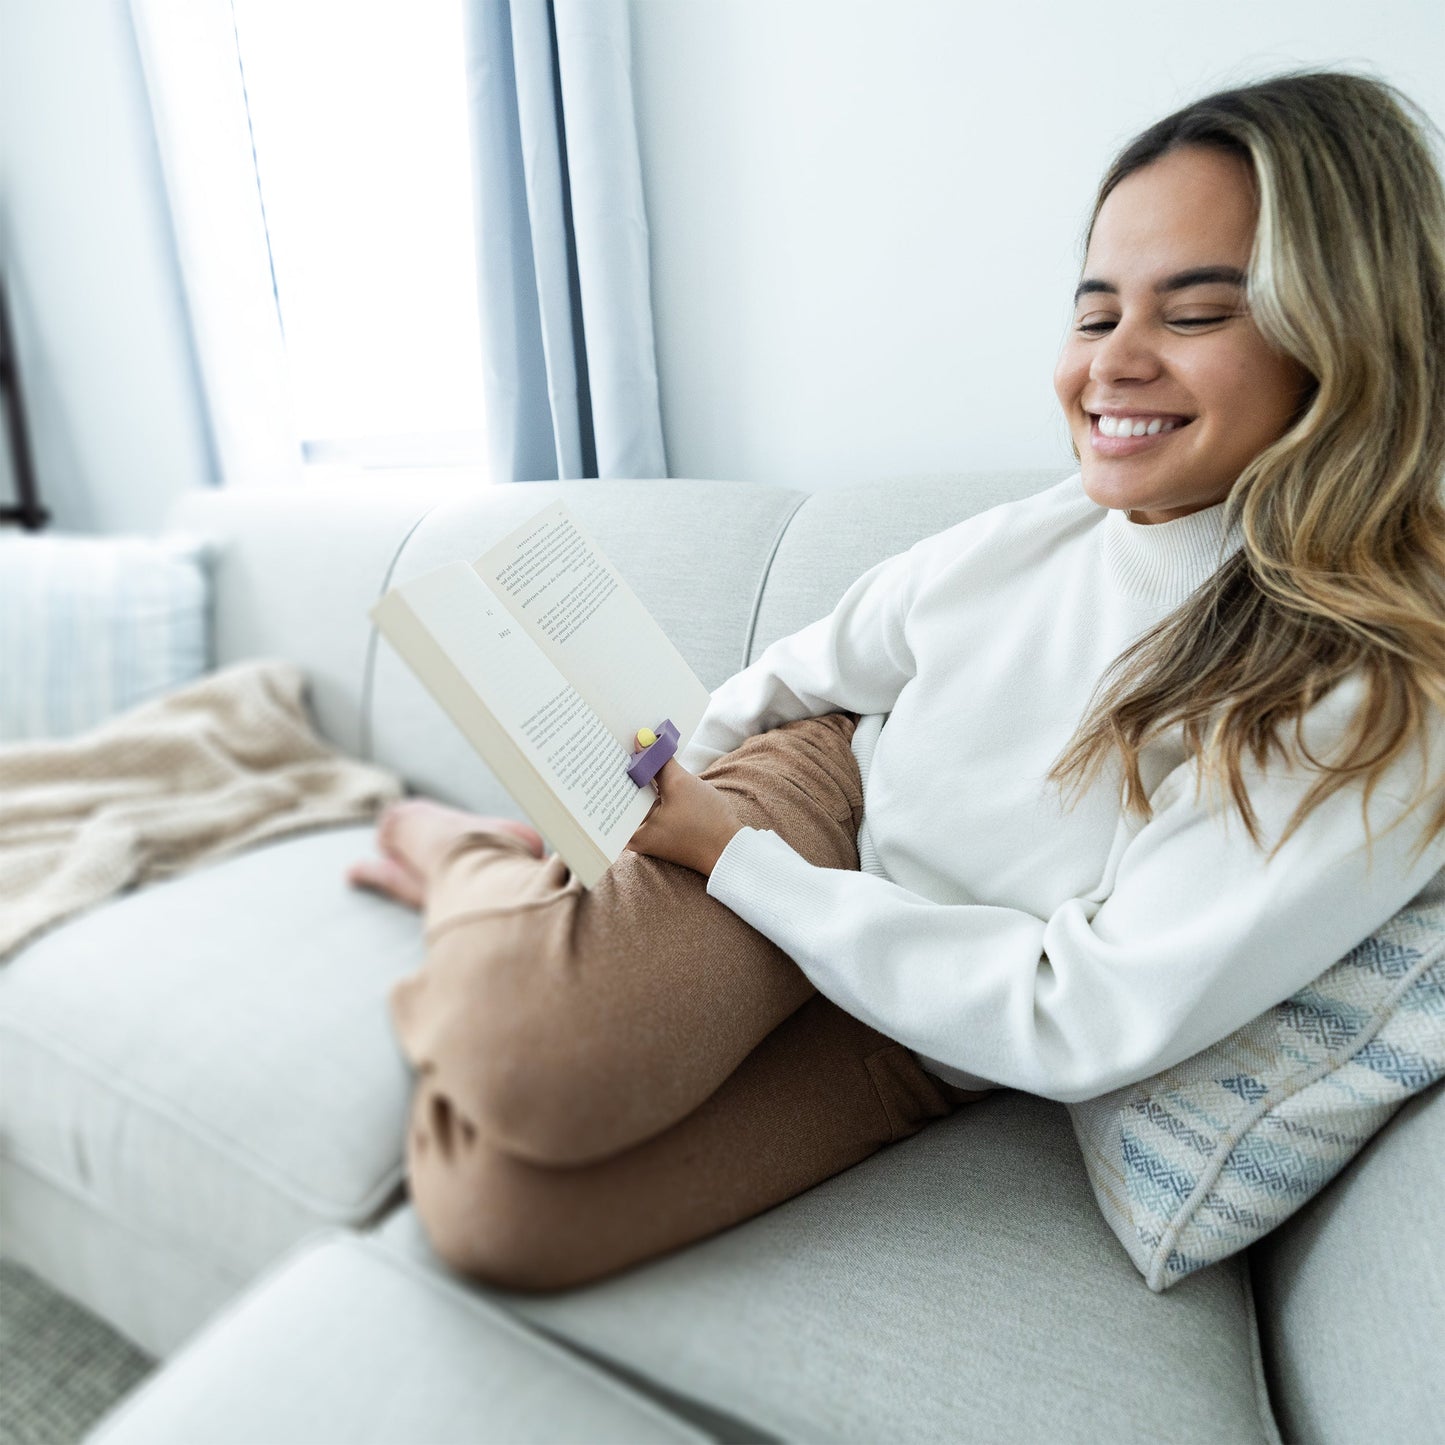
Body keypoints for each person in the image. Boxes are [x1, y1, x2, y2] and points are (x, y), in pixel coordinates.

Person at [347, 69, 1445, 1293]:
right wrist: (671, 827)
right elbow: (822, 661)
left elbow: (1082, 1014)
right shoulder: (1051, 529)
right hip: (823, 809)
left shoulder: (1371, 694)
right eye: (1092, 318)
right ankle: (469, 862)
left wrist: (723, 866)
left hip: (934, 1011)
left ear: (1343, 334)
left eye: (1190, 316)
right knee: (527, 1055)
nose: (1109, 365)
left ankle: (483, 892)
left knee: (498, 1220)